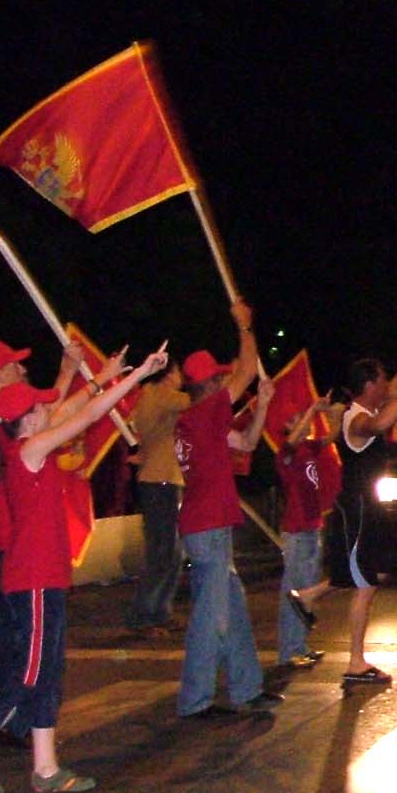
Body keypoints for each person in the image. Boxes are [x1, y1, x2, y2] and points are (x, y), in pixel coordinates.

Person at [0, 345, 168, 793]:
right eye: (39, 406)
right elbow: (84, 416)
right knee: (27, 674)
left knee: (46, 671)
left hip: (43, 577)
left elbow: (73, 408)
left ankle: (45, 768)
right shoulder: (28, 451)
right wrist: (138, 374)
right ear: (24, 421)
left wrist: (103, 377)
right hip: (33, 579)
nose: (48, 407)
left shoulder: (26, 445)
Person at [0, 338, 83, 741]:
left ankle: (28, 731)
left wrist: (80, 376)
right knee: (30, 647)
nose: (22, 370)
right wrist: (79, 376)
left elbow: (47, 415)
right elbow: (50, 419)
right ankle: (3, 730)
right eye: (15, 366)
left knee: (23, 641)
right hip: (17, 544)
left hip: (14, 542)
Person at [173, 301, 282, 719]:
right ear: (212, 383)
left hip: (207, 526)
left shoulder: (200, 422)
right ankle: (196, 700)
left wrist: (264, 406)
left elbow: (248, 443)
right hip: (209, 526)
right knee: (211, 618)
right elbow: (249, 368)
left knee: (231, 610)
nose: (226, 381)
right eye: (220, 377)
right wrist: (245, 326)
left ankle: (247, 688)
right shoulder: (205, 413)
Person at [328, 336, 397, 686]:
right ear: (367, 385)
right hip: (357, 509)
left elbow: (395, 389)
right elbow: (378, 426)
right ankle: (355, 662)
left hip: (366, 508)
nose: (386, 385)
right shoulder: (355, 419)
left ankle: (308, 598)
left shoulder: (365, 409)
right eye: (380, 381)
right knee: (364, 585)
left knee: (364, 580)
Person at [123, 349, 190, 639]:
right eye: (179, 372)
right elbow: (196, 401)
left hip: (160, 479)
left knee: (170, 552)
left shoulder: (151, 395)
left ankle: (158, 612)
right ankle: (145, 615)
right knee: (163, 552)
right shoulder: (161, 394)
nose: (183, 378)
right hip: (160, 481)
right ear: (169, 373)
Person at [273, 395, 342, 669]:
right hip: (297, 528)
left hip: (312, 525)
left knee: (307, 591)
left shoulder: (308, 448)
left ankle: (300, 645)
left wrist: (333, 414)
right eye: (297, 418)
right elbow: (294, 438)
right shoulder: (286, 452)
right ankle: (289, 650)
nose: (306, 422)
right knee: (295, 589)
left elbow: (332, 437)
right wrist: (313, 409)